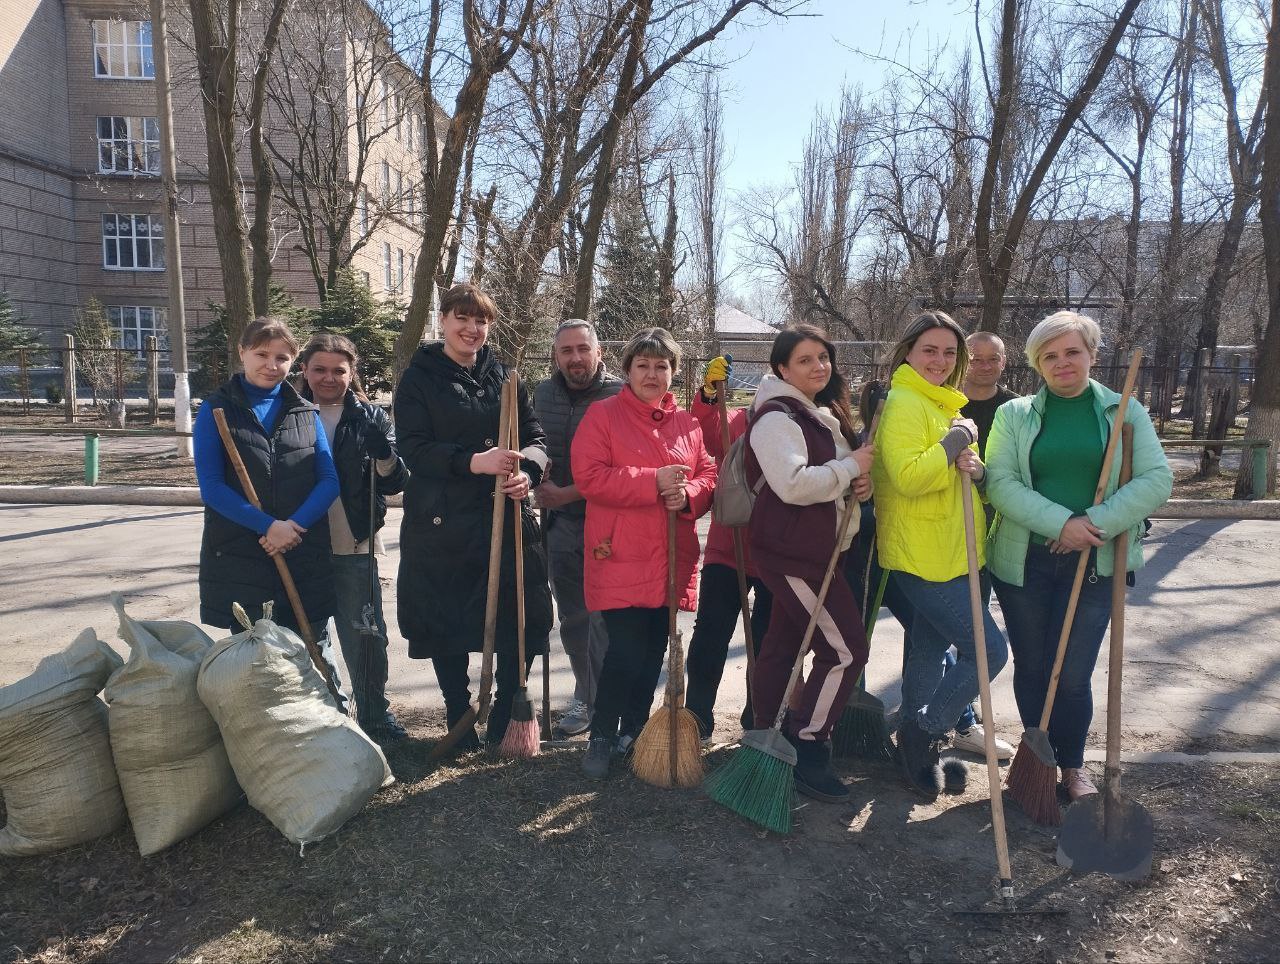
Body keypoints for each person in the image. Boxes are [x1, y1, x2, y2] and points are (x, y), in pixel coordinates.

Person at [985, 311, 1172, 801]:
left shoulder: (1124, 411)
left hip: (1097, 563)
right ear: (1036, 364)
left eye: (1072, 351)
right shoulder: (1014, 415)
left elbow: (1156, 480)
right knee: (1031, 667)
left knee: (1071, 675)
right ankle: (1038, 764)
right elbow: (1000, 484)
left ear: (1092, 354)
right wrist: (1059, 523)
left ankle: (1073, 768)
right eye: (1050, 355)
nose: (1062, 362)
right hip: (1026, 560)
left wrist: (1091, 526)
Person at [394, 282, 553, 751]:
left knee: (517, 618)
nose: (472, 328)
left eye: (481, 320)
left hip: (504, 517)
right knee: (443, 619)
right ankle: (458, 713)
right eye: (462, 318)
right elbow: (412, 449)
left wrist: (527, 472)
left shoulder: (507, 377)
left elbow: (538, 439)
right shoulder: (419, 378)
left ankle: (505, 715)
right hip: (442, 525)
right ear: (442, 321)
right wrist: (472, 462)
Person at [871, 311, 1009, 800]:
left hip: (952, 552)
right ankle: (927, 731)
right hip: (922, 556)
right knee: (991, 651)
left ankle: (911, 743)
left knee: (927, 650)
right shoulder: (906, 402)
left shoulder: (940, 403)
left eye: (950, 352)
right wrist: (957, 440)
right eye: (929, 349)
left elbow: (949, 473)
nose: (940, 359)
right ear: (908, 352)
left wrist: (973, 466)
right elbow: (909, 477)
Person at [572, 327, 717, 779]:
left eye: (662, 366)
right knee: (626, 650)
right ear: (627, 370)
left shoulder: (688, 424)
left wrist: (690, 493)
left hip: (672, 554)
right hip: (620, 551)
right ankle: (601, 732)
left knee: (655, 648)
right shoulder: (603, 415)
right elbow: (589, 477)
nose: (653, 374)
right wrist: (653, 481)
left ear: (673, 372)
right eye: (643, 366)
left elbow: (707, 473)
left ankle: (633, 730)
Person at [746, 325, 875, 802]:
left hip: (815, 550)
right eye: (805, 360)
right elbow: (795, 485)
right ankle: (809, 744)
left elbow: (833, 477)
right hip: (796, 554)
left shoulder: (815, 412)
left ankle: (766, 736)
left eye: (824, 357)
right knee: (846, 652)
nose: (818, 366)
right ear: (782, 368)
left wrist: (855, 483)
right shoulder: (777, 418)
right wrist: (850, 469)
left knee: (782, 645)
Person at [195, 317, 340, 639]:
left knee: (309, 653)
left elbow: (329, 480)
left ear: (294, 361)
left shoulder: (305, 411)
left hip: (302, 552)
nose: (271, 365)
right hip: (243, 553)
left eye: (281, 357)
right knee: (254, 662)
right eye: (262, 354)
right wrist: (269, 527)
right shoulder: (216, 410)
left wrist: (292, 527)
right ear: (242, 352)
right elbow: (213, 488)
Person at [299, 332, 409, 742]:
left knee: (365, 635)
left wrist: (383, 452)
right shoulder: (288, 413)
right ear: (305, 370)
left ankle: (375, 716)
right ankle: (334, 712)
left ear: (352, 372)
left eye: (339, 370)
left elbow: (397, 481)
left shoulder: (371, 416)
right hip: (302, 546)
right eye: (320, 369)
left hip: (355, 544)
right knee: (311, 635)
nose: (329, 378)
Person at [533, 319, 622, 736]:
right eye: (566, 351)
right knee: (573, 618)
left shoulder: (619, 395)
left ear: (598, 352)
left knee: (606, 618)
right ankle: (587, 696)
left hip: (609, 524)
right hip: (560, 526)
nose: (575, 358)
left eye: (582, 349)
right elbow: (533, 445)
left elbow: (623, 467)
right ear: (556, 356)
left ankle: (606, 701)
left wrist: (567, 492)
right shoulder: (543, 393)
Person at [685, 354, 773, 740]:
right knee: (711, 633)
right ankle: (697, 716)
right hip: (729, 546)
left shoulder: (805, 426)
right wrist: (707, 396)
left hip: (778, 553)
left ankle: (759, 718)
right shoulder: (736, 420)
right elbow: (702, 434)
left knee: (769, 639)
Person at [960, 332, 1019, 458]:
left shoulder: (1017, 408)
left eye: (993, 359)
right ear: (964, 361)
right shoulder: (946, 403)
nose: (986, 367)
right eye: (976, 360)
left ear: (1003, 362)